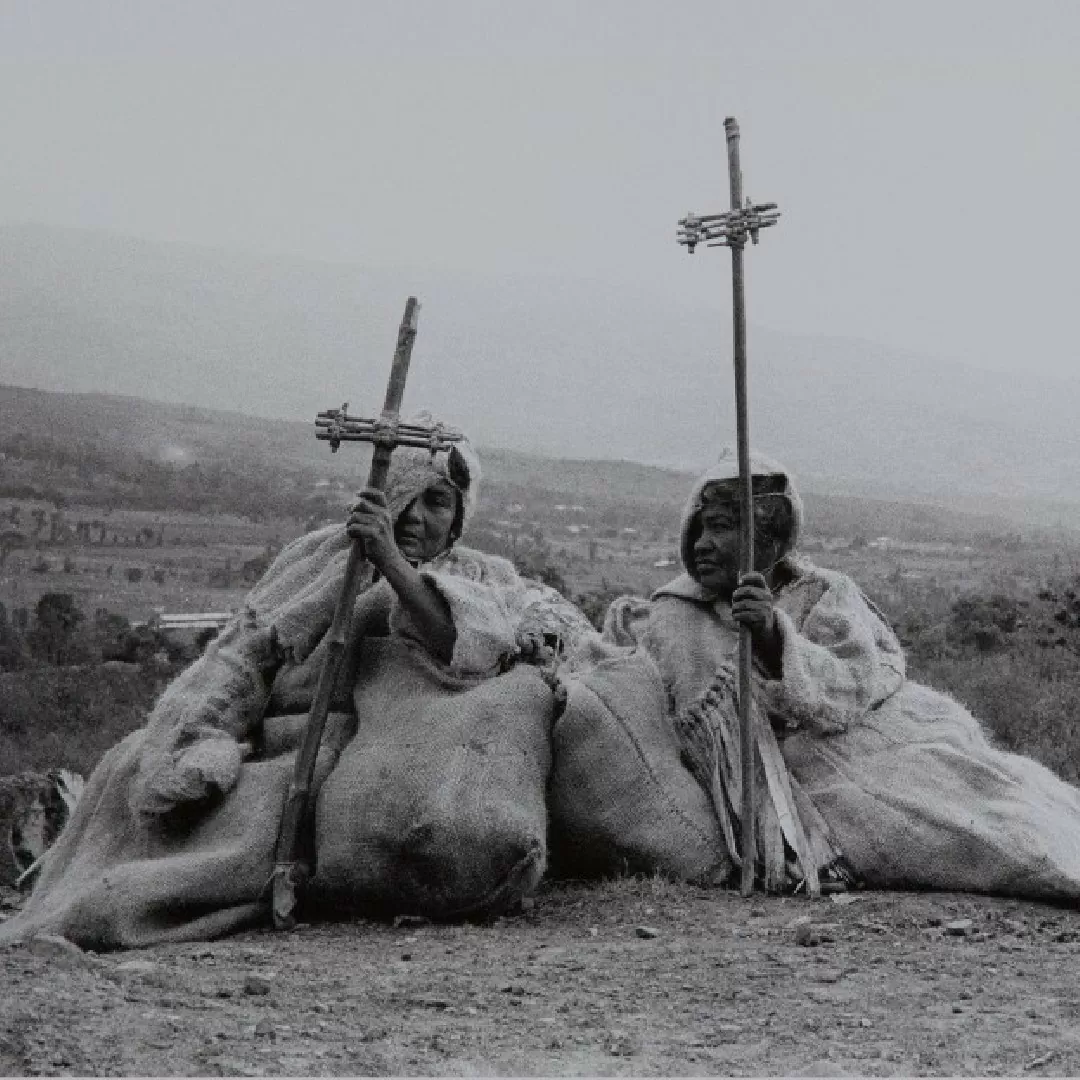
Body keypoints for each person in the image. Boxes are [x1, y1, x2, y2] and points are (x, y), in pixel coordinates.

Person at [0, 419, 596, 949]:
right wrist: (204, 734)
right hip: (275, 741)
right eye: (404, 497)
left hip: (373, 756)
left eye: (438, 502)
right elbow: (243, 653)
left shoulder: (481, 575)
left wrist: (390, 566)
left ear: (459, 516)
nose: (416, 516)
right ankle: (73, 905)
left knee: (264, 831)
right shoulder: (318, 558)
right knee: (131, 770)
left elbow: (467, 647)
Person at [603, 448, 1080, 900]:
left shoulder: (824, 593)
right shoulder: (675, 613)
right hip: (778, 779)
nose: (703, 544)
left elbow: (853, 680)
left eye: (722, 528)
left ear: (765, 539)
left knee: (985, 804)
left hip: (866, 738)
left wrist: (773, 636)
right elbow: (651, 707)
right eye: (700, 529)